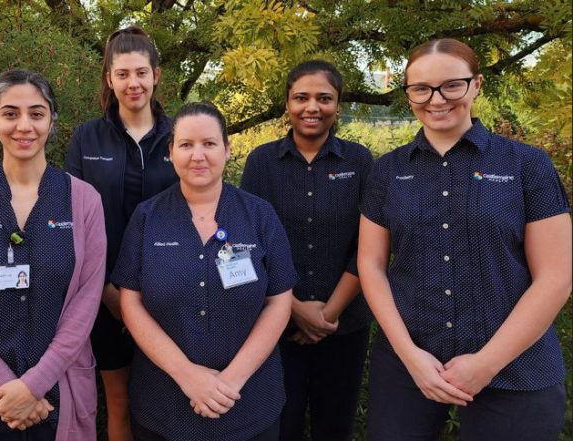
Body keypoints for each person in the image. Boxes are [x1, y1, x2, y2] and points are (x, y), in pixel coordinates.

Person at [358, 38, 571, 441]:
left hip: (514, 366)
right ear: (408, 94)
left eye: (451, 85)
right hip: (409, 363)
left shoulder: (527, 165)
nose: (436, 100)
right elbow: (371, 264)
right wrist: (409, 354)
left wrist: (486, 364)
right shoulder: (387, 171)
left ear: (476, 85)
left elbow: (556, 278)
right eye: (421, 89)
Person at [0, 69, 106, 441]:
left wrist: (34, 387)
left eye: (36, 113)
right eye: (10, 114)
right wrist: (6, 388)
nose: (24, 125)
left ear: (51, 121)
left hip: (61, 392)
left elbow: (86, 303)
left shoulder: (83, 201)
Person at [111, 102, 297, 441]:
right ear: (171, 153)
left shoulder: (260, 215)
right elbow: (130, 303)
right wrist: (187, 375)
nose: (198, 155)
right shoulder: (147, 217)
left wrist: (231, 381)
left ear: (227, 149)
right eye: (186, 145)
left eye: (209, 143)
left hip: (248, 404)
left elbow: (279, 301)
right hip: (164, 407)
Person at [240, 60, 373, 441]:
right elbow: (248, 245)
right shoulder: (262, 162)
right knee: (281, 427)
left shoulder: (359, 161)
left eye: (324, 98)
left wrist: (327, 316)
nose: (312, 107)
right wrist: (295, 310)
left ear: (338, 104)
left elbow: (369, 245)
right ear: (287, 103)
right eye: (301, 97)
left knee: (335, 427)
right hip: (276, 327)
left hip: (345, 325)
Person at [65, 25, 178, 441]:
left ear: (156, 76)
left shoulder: (178, 135)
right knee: (120, 403)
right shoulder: (87, 138)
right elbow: (72, 221)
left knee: (172, 399)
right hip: (104, 294)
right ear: (109, 79)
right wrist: (108, 293)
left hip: (170, 294)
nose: (134, 83)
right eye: (123, 74)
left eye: (142, 72)